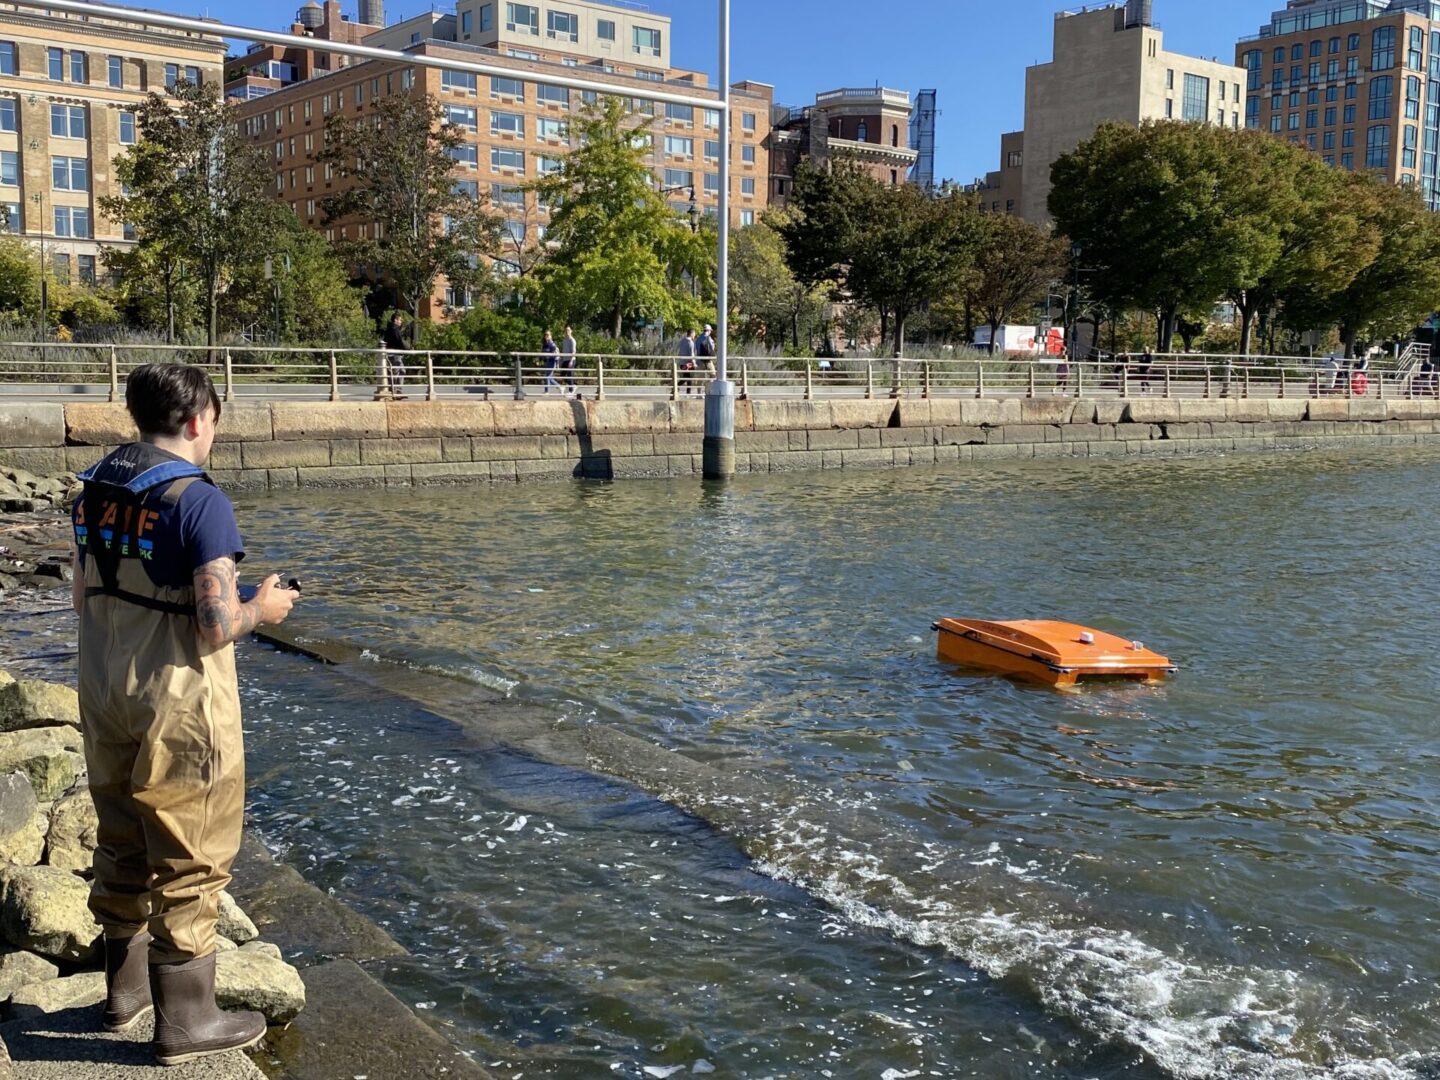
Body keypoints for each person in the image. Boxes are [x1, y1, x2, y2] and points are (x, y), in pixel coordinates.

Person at [70, 364, 297, 1066]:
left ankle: (125, 993)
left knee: (122, 835)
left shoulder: (96, 487)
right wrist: (265, 606)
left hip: (103, 680)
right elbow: (214, 623)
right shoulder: (200, 502)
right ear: (201, 418)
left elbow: (81, 596)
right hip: (177, 697)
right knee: (191, 852)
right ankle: (187, 1022)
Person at [381, 314, 409, 400]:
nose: (401, 322)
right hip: (394, 355)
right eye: (400, 320)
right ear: (395, 320)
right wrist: (408, 348)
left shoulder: (392, 329)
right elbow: (399, 341)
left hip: (395, 354)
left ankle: (398, 391)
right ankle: (395, 392)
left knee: (401, 371)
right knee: (396, 372)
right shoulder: (394, 329)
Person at [677, 329, 697, 394]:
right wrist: (694, 363)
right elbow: (692, 354)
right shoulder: (691, 342)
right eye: (694, 334)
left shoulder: (682, 341)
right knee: (689, 378)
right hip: (688, 363)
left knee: (686, 377)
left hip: (682, 362)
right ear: (691, 334)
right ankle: (687, 393)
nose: (694, 335)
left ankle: (676, 387)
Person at [561, 325, 578, 396]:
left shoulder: (572, 340)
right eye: (566, 330)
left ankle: (571, 391)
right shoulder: (564, 340)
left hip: (571, 360)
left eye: (568, 330)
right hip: (565, 359)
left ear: (571, 331)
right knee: (562, 375)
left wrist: (571, 361)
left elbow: (573, 351)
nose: (567, 332)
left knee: (569, 375)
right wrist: (561, 360)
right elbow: (563, 350)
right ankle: (573, 385)